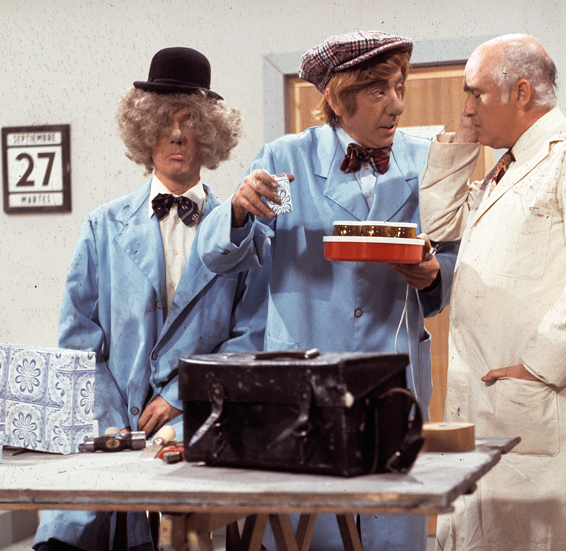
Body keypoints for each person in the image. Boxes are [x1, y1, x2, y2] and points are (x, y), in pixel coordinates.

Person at [196, 30, 457, 551]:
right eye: (379, 91)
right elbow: (217, 257)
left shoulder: (427, 161)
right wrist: (239, 210)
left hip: (392, 376)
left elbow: (451, 256)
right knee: (306, 532)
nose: (397, 105)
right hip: (304, 382)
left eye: (399, 88)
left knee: (390, 526)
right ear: (338, 100)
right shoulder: (285, 159)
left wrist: (434, 275)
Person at [34, 46, 262, 551]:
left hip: (198, 420)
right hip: (111, 422)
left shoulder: (241, 229)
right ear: (144, 132)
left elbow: (249, 339)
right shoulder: (102, 225)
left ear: (210, 135)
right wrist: (112, 419)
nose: (177, 135)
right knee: (68, 532)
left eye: (190, 122)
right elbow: (78, 341)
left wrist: (180, 396)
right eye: (164, 123)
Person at [418, 34, 566, 551]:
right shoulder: (507, 164)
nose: (467, 108)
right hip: (485, 394)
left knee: (543, 537)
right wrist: (465, 138)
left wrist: (539, 365)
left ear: (520, 93)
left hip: (537, 390)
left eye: (475, 94)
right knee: (481, 531)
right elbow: (439, 223)